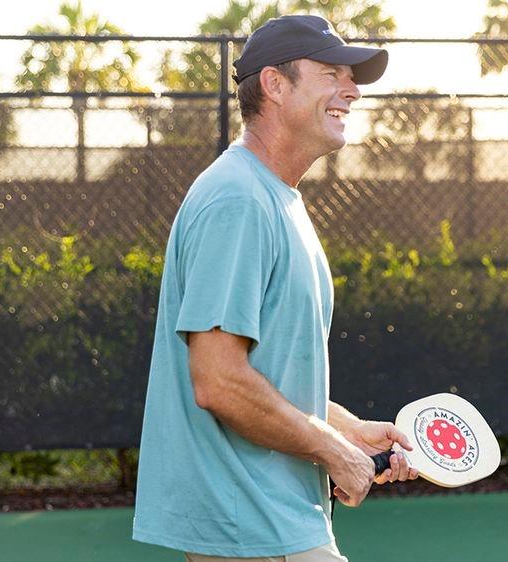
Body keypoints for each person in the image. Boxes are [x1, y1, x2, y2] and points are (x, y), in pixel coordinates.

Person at [132, 14, 417, 561]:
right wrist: (334, 452)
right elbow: (219, 381)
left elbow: (268, 374)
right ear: (275, 84)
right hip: (251, 523)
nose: (352, 90)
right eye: (332, 73)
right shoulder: (237, 199)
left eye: (350, 77)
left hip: (272, 519)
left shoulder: (273, 196)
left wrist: (349, 430)